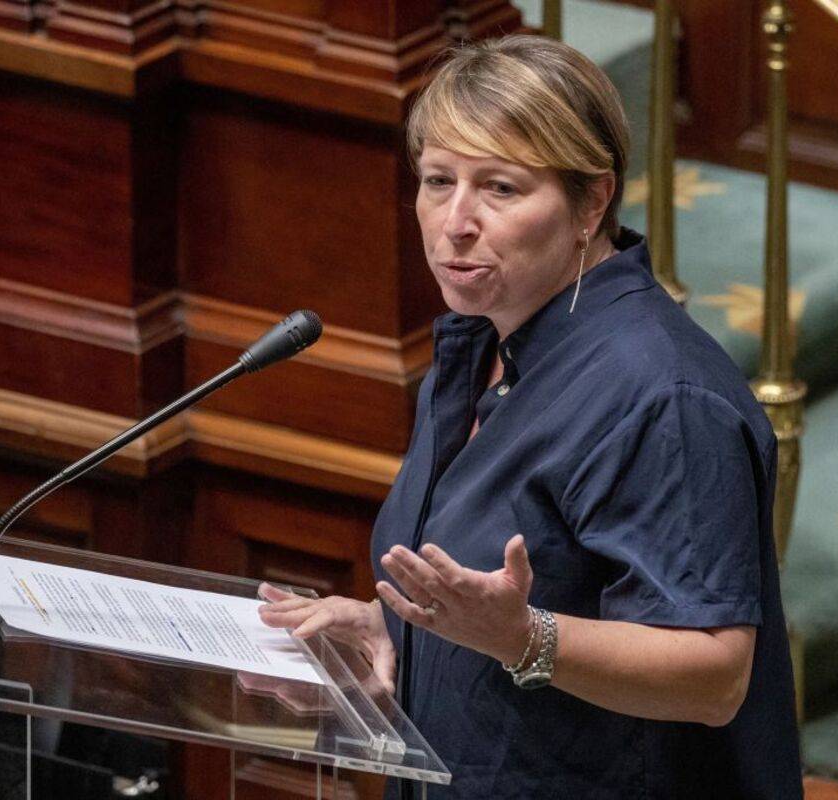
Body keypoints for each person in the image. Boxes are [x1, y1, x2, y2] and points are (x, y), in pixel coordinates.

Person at [259, 34, 802, 799]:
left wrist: (521, 637)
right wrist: (396, 639)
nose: (455, 221)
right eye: (437, 180)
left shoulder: (662, 396)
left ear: (591, 201)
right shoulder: (480, 349)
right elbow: (507, 605)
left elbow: (711, 676)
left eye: (501, 189)